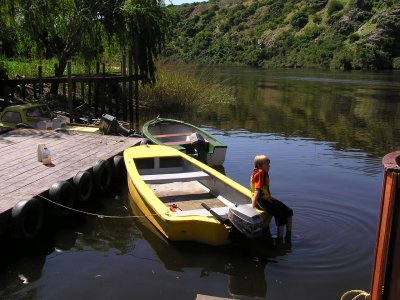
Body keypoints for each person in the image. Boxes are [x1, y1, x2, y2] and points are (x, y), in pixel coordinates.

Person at [250, 154, 293, 243]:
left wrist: (271, 198)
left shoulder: (262, 172)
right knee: (280, 215)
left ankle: (289, 234)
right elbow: (257, 191)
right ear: (259, 165)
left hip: (267, 198)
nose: (269, 166)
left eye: (269, 164)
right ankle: (280, 239)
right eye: (266, 164)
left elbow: (264, 190)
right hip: (261, 201)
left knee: (289, 211)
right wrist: (253, 206)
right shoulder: (260, 174)